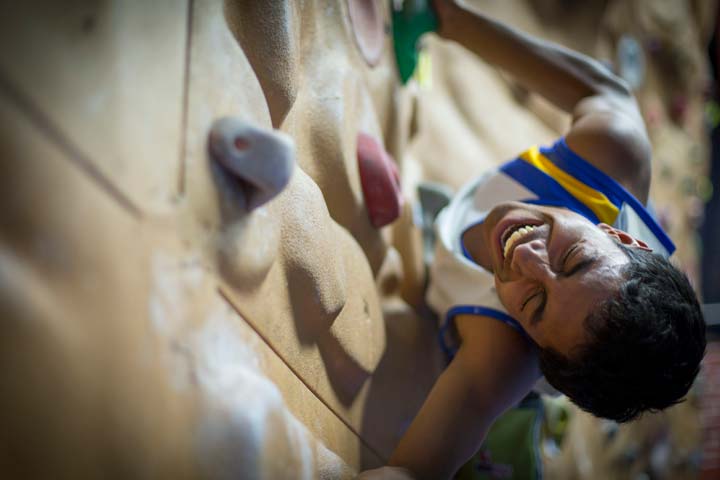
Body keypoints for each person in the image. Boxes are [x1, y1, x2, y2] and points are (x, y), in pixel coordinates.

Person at [360, 1, 706, 479]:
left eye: (536, 304)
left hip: (495, 351)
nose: (526, 258)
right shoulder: (611, 149)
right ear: (620, 234)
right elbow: (602, 90)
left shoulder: (499, 352)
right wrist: (448, 18)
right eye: (573, 259)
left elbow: (415, 470)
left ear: (534, 342)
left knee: (502, 444)